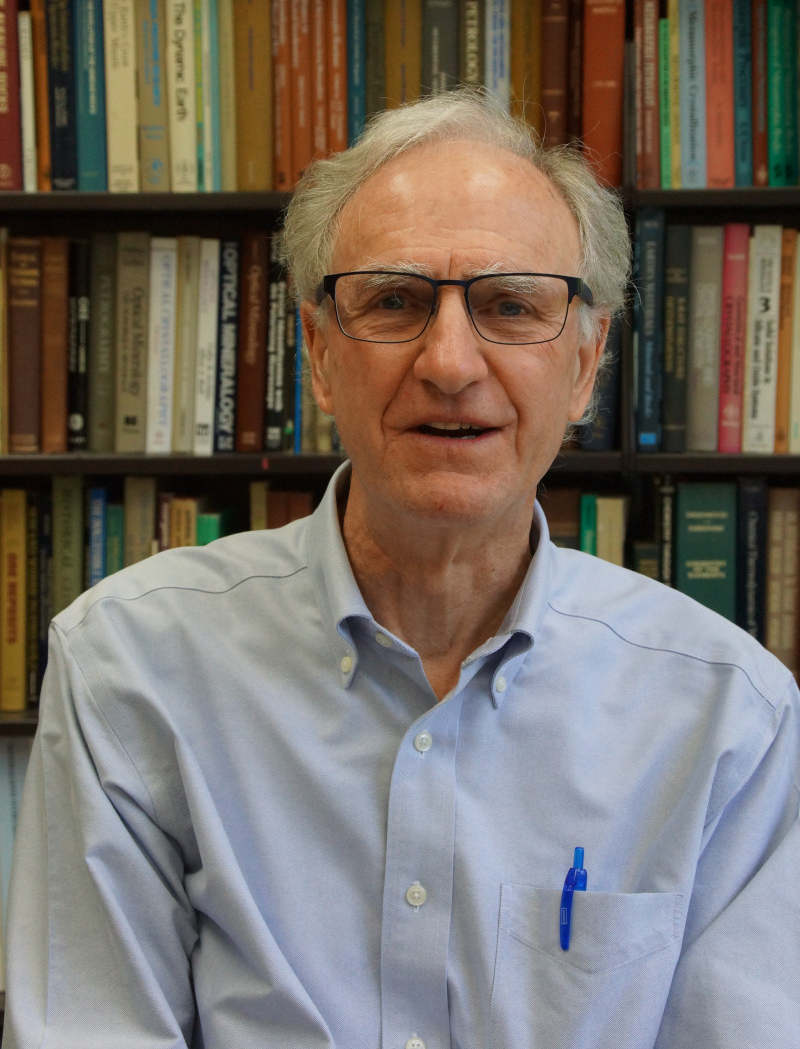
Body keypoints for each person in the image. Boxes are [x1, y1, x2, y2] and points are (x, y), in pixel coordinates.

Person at [4, 91, 799, 1049]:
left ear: (586, 366)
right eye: (395, 301)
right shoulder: (129, 669)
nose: (451, 362)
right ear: (319, 353)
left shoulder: (730, 717)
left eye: (511, 305)